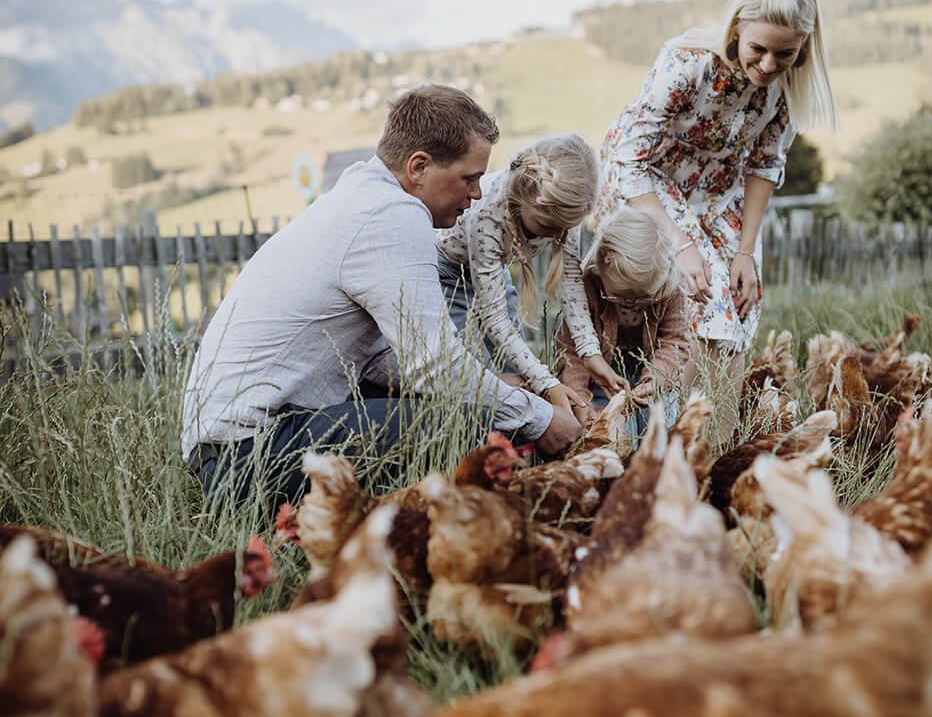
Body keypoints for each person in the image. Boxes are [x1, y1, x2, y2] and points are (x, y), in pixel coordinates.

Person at [181, 84, 582, 505]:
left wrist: (494, 385)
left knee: (471, 406)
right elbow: (434, 366)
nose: (478, 195)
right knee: (468, 427)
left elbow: (380, 359)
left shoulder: (363, 194)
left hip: (234, 450)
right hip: (247, 457)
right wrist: (537, 419)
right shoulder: (391, 216)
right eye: (469, 178)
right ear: (419, 166)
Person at [595, 0, 837, 430]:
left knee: (740, 300)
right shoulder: (685, 63)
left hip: (719, 193)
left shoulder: (786, 87)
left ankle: (718, 444)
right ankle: (662, 439)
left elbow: (764, 166)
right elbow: (628, 159)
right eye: (758, 49)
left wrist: (745, 252)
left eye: (784, 54)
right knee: (699, 296)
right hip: (649, 182)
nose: (768, 65)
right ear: (736, 30)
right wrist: (681, 245)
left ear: (803, 47)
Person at [436, 133, 627, 412]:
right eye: (547, 227)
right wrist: (547, 382)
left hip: (493, 276)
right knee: (482, 381)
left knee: (522, 372)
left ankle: (523, 447)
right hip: (450, 280)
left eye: (564, 228)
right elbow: (495, 318)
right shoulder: (488, 217)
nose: (556, 235)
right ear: (534, 201)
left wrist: (590, 352)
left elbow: (572, 286)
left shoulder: (561, 214)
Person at [554, 205, 691, 430]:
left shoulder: (672, 288)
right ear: (602, 269)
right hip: (600, 371)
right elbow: (572, 351)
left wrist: (655, 380)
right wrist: (579, 399)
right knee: (611, 429)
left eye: (642, 298)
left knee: (658, 425)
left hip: (654, 366)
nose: (630, 303)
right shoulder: (586, 286)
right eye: (620, 297)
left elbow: (675, 342)